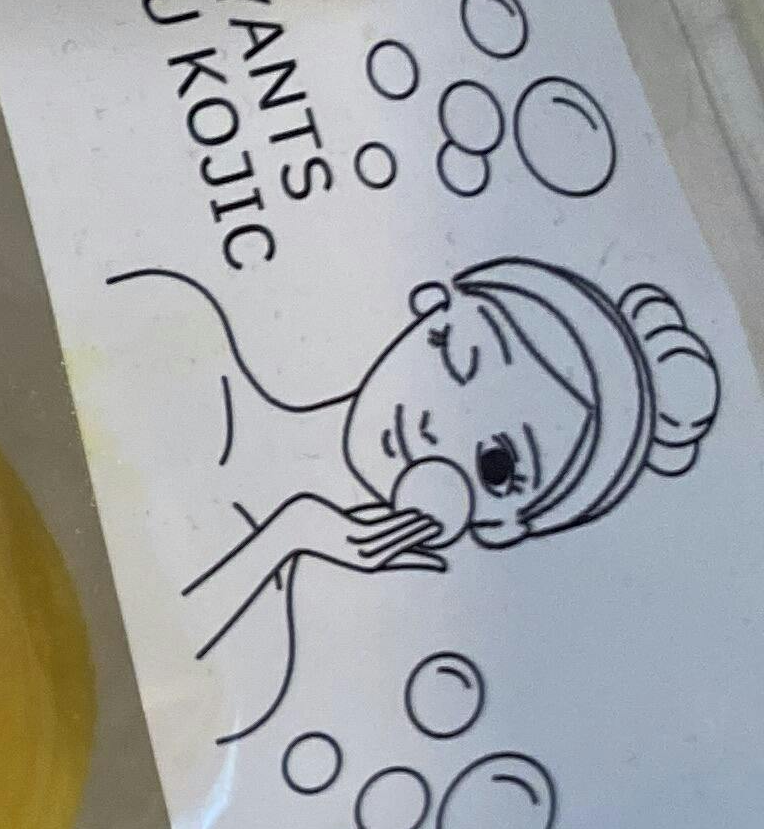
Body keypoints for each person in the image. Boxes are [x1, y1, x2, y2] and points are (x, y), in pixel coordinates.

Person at [103, 256, 722, 744]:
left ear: (502, 525)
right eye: (458, 354)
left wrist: (292, 534)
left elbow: (118, 689)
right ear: (430, 307)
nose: (434, 427)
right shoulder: (170, 322)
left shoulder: (257, 667)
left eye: (497, 465)